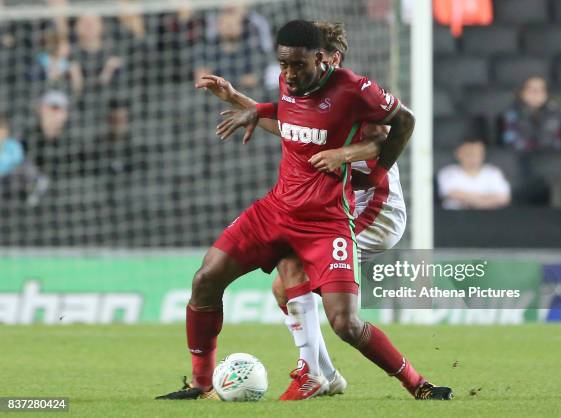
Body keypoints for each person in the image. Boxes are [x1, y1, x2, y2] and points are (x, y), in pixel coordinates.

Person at [156, 20, 452, 402]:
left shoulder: (354, 92)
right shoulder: (290, 84)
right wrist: (236, 100)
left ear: (325, 59)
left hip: (353, 211)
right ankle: (207, 384)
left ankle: (411, 383)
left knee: (340, 319)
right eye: (285, 65)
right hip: (280, 210)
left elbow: (384, 135)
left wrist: (353, 159)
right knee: (207, 279)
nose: (290, 73)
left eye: (299, 65)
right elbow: (293, 125)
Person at [438, 138, 511, 209]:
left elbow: (504, 198)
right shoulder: (448, 172)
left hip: (489, 217)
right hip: (456, 217)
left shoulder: (493, 172)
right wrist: (486, 200)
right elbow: (452, 194)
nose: (473, 158)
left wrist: (473, 201)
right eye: (469, 154)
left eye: (477, 154)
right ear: (458, 154)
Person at [500, 76, 561, 151]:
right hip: (520, 156)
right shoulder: (511, 113)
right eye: (531, 89)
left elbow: (557, 142)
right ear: (522, 93)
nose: (536, 93)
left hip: (548, 156)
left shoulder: (554, 111)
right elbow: (510, 141)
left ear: (546, 94)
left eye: (540, 90)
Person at [0, 115, 48, 206]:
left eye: (2, 129)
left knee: (26, 166)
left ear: (7, 131)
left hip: (11, 177)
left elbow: (19, 161)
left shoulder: (13, 145)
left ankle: (36, 186)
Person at [24, 90, 71, 179]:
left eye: (58, 109)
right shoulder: (27, 140)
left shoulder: (72, 145)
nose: (53, 114)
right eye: (50, 108)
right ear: (40, 110)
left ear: (66, 114)